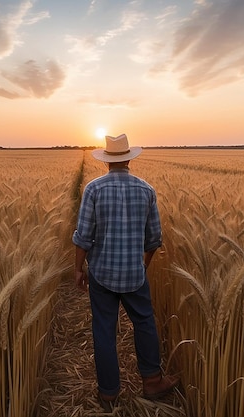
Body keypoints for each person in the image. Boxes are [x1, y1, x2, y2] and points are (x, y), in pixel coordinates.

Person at [72, 133, 179, 411]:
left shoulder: (93, 189)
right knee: (144, 322)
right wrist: (142, 265)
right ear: (129, 159)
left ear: (107, 161)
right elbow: (154, 238)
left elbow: (83, 236)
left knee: (103, 330)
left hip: (102, 273)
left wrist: (77, 268)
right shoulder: (146, 190)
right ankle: (152, 381)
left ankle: (108, 393)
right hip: (134, 273)